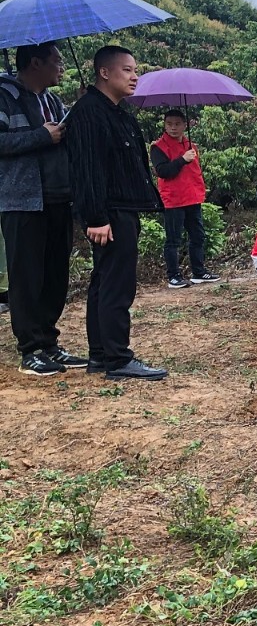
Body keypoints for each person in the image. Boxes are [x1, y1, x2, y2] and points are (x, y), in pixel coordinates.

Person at [65, 45, 167, 381]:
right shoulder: (90, 113)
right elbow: (87, 170)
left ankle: (100, 354)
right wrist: (96, 217)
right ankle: (118, 358)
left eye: (135, 69)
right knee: (116, 285)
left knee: (105, 282)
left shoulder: (117, 111)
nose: (135, 75)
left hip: (123, 208)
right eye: (126, 69)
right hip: (110, 212)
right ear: (104, 73)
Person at [0, 41, 87, 376]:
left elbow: (61, 136)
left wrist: (79, 110)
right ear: (35, 63)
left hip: (57, 196)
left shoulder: (51, 99)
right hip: (22, 200)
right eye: (56, 60)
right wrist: (39, 136)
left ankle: (49, 342)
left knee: (54, 274)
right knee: (27, 276)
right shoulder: (5, 96)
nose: (61, 66)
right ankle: (30, 348)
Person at [150, 111, 221, 289]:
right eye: (169, 124)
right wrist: (182, 159)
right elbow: (163, 171)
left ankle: (199, 271)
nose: (173, 127)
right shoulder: (158, 147)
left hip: (192, 197)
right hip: (173, 200)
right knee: (173, 239)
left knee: (198, 235)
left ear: (185, 125)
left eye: (177, 123)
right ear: (164, 125)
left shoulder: (191, 146)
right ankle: (174, 276)